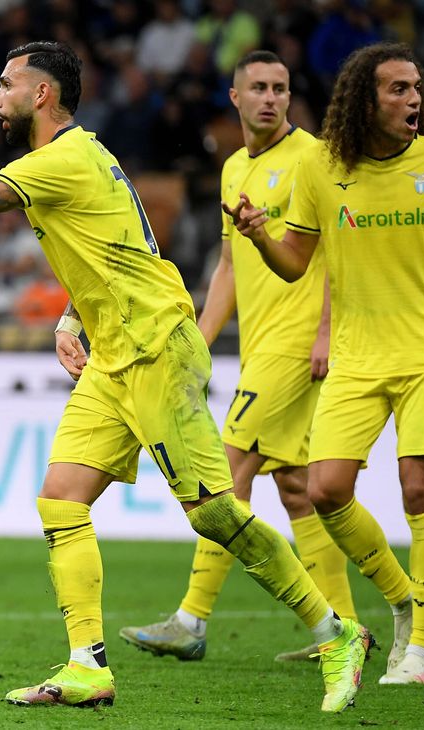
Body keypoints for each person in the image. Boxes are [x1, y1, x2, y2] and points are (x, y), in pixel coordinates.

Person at [0, 41, 372, 713]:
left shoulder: (60, 159)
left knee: (214, 512)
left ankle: (337, 634)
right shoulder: (85, 157)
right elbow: (115, 248)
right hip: (114, 354)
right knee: (62, 500)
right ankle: (87, 666)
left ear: (42, 94)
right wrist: (73, 318)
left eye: (6, 85)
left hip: (155, 348)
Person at [224, 42, 424, 685]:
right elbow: (295, 264)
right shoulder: (322, 168)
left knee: (421, 488)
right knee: (326, 490)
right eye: (397, 88)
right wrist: (260, 236)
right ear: (364, 100)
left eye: (417, 87)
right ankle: (404, 598)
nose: (414, 98)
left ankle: (423, 652)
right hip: (356, 356)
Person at [119, 50, 357, 664]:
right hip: (260, 347)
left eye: (280, 88)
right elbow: (227, 265)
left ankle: (191, 619)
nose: (270, 98)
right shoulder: (233, 168)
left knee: (224, 474)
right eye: (258, 87)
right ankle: (344, 629)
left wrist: (326, 330)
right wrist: (196, 341)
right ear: (235, 98)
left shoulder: (312, 159)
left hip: (296, 346)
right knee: (296, 489)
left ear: (290, 97)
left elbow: (341, 250)